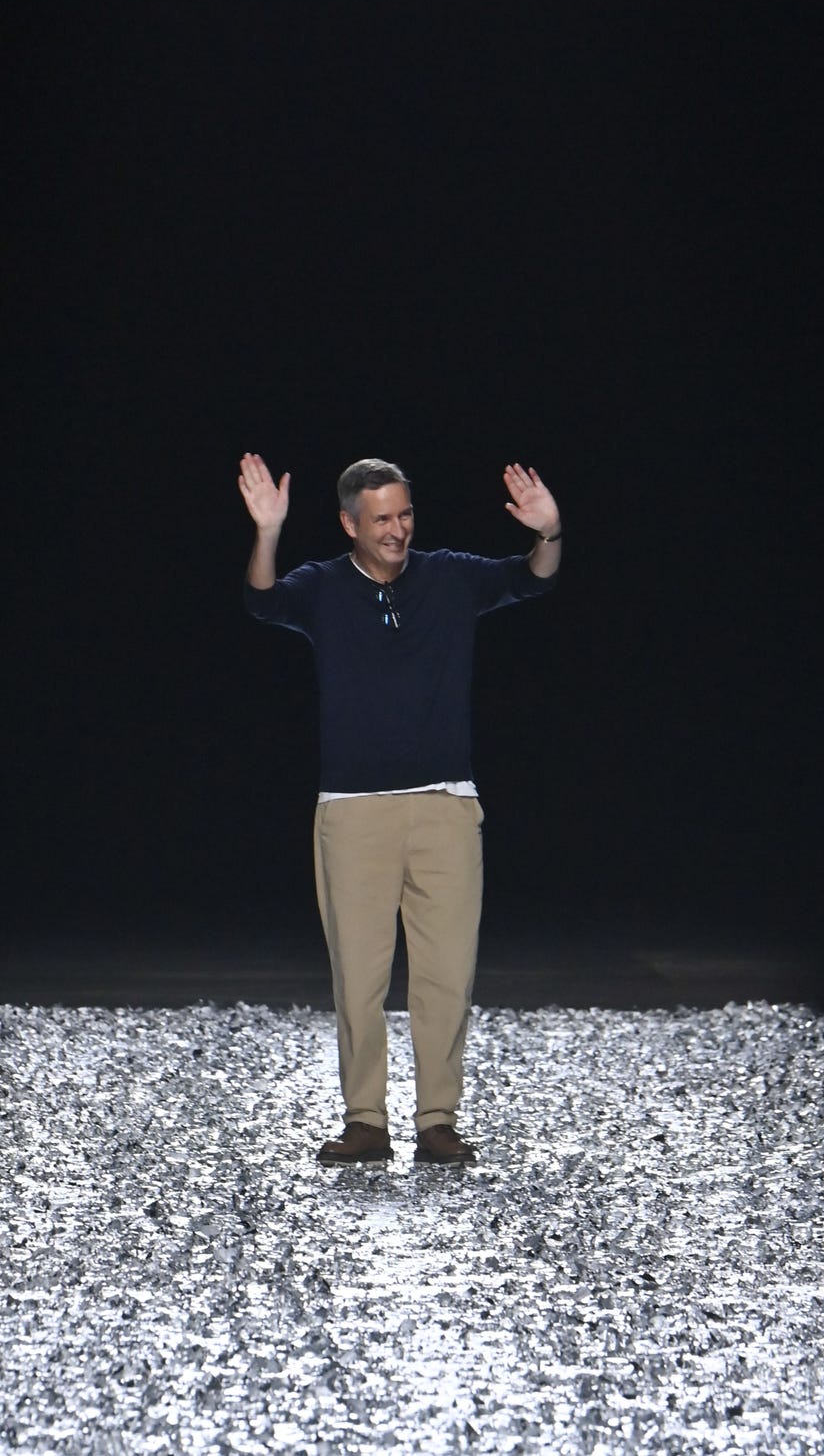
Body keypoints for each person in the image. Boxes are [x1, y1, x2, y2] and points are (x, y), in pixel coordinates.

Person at [239, 451, 561, 1165]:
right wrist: (266, 531)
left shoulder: (448, 576)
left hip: (446, 807)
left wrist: (549, 533)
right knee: (359, 974)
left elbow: (528, 580)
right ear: (350, 522)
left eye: (405, 513)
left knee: (447, 971)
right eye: (381, 518)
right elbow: (263, 600)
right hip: (354, 811)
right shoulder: (322, 587)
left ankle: (437, 1121)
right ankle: (366, 1121)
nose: (398, 529)